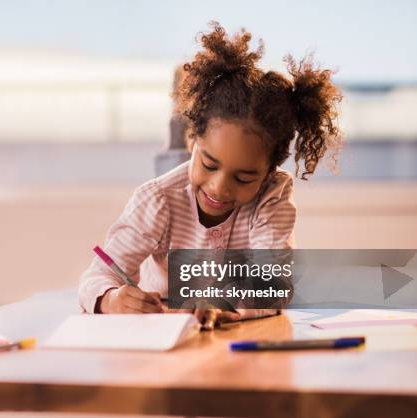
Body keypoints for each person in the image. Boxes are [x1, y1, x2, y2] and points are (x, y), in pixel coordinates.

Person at [79, 22, 342, 324]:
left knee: (196, 175)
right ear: (196, 141)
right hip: (166, 318)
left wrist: (226, 305)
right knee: (175, 170)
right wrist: (110, 298)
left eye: (244, 177)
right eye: (210, 164)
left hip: (224, 324)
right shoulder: (157, 199)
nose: (220, 188)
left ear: (269, 171)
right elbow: (95, 277)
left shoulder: (272, 195)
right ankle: (180, 124)